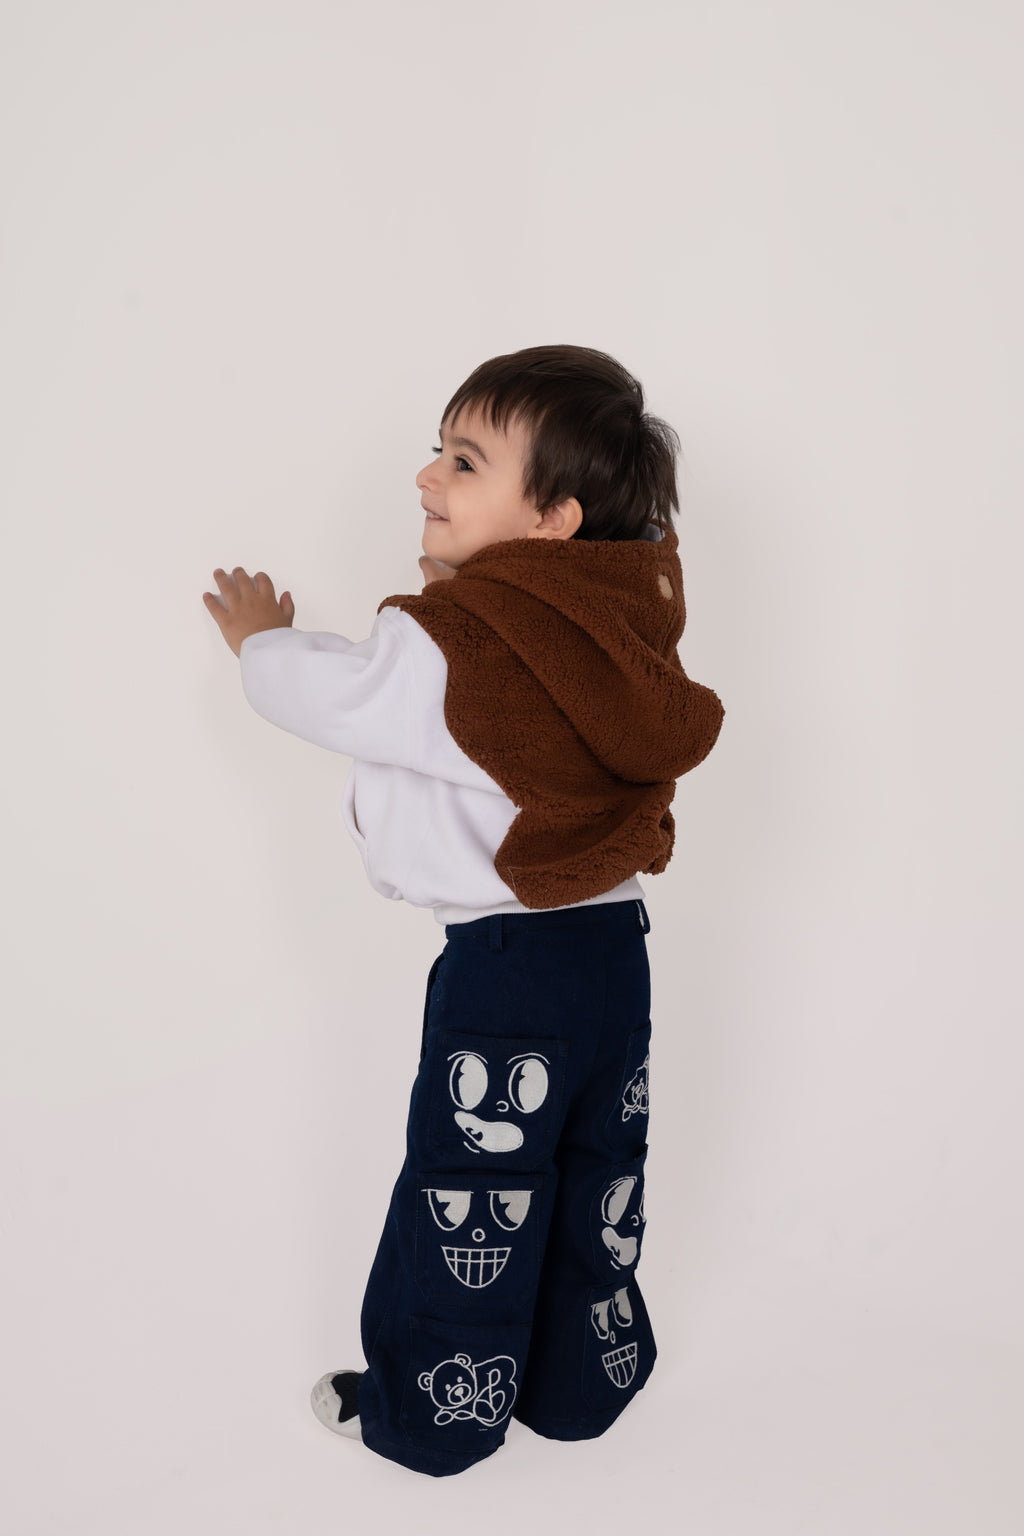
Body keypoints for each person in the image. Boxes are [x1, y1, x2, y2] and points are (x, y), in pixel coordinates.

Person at [201, 344, 724, 1477]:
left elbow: (339, 691)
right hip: (614, 951)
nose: (427, 478)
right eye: (437, 451)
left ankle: (434, 1416)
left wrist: (261, 643)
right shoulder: (620, 640)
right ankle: (581, 1385)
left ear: (551, 521)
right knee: (596, 1165)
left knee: (472, 1189)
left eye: (465, 461)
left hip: (506, 968)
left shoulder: (463, 643)